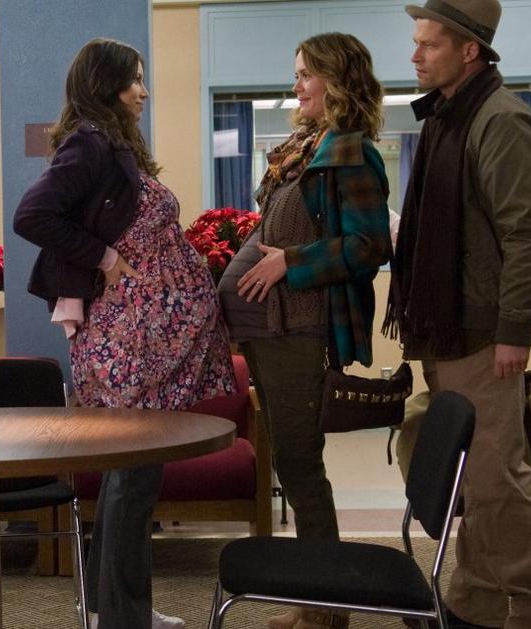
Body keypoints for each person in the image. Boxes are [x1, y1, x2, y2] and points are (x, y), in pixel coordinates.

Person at [14, 38, 236, 629]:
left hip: (143, 341)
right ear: (107, 84)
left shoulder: (110, 142)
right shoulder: (89, 143)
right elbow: (31, 215)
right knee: (134, 477)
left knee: (130, 474)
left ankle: (110, 608)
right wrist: (107, 259)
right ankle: (122, 616)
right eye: (135, 79)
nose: (144, 91)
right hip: (130, 340)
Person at [384, 1, 531, 627]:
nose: (415, 55)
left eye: (429, 44)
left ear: (469, 50)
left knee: (496, 476)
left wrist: (516, 330)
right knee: (475, 475)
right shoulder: (451, 115)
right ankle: (478, 598)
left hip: (484, 331)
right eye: (416, 42)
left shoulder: (502, 121)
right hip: (449, 327)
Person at [218, 32, 392, 629]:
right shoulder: (305, 148)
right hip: (272, 330)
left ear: (336, 79)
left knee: (300, 465)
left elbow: (370, 245)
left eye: (305, 74)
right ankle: (318, 602)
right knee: (293, 466)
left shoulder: (352, 152)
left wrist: (289, 263)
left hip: (301, 329)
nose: (295, 86)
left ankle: (325, 611)